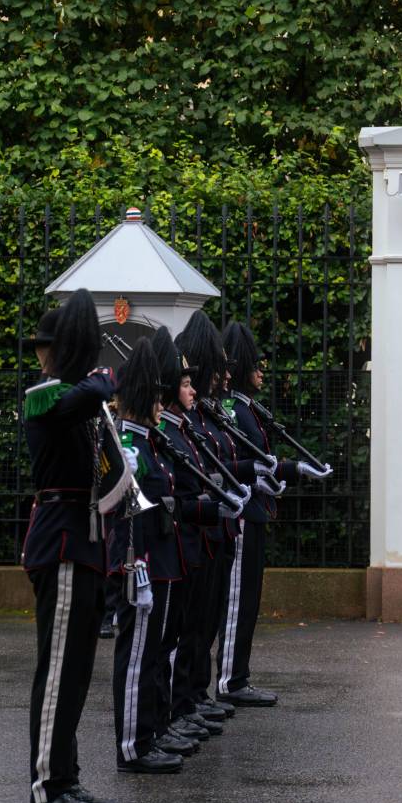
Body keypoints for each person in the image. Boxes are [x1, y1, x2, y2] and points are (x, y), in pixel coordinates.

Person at [23, 288, 123, 803]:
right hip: (60, 541)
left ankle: (66, 776)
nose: (42, 355)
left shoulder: (78, 399)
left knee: (77, 672)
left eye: (48, 347)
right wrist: (94, 373)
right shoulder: (45, 395)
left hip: (84, 542)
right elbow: (98, 387)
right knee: (58, 670)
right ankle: (46, 786)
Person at [216, 321, 330, 707]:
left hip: (254, 509)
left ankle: (237, 674)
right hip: (242, 512)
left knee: (248, 599)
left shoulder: (245, 407)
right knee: (238, 600)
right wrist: (270, 476)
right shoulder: (231, 408)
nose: (262, 372)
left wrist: (293, 471)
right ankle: (230, 679)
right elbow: (240, 462)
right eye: (256, 366)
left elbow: (260, 461)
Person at [150, 325, 245, 747]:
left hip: (205, 537)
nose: (193, 388)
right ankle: (177, 704)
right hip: (184, 542)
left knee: (200, 623)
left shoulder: (192, 424)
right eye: (184, 382)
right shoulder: (172, 429)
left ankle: (191, 696)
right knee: (177, 634)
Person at [109, 339, 186, 776]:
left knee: (153, 652)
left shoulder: (147, 441)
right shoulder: (131, 444)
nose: (162, 403)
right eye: (155, 395)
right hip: (140, 563)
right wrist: (132, 566)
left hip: (157, 559)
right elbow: (127, 514)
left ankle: (149, 732)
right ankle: (133, 744)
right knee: (137, 654)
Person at [173, 310, 251, 725]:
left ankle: (196, 692)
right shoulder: (189, 419)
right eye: (217, 368)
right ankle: (183, 697)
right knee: (190, 623)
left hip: (217, 528)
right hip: (196, 531)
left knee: (208, 618)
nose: (224, 376)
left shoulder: (210, 412)